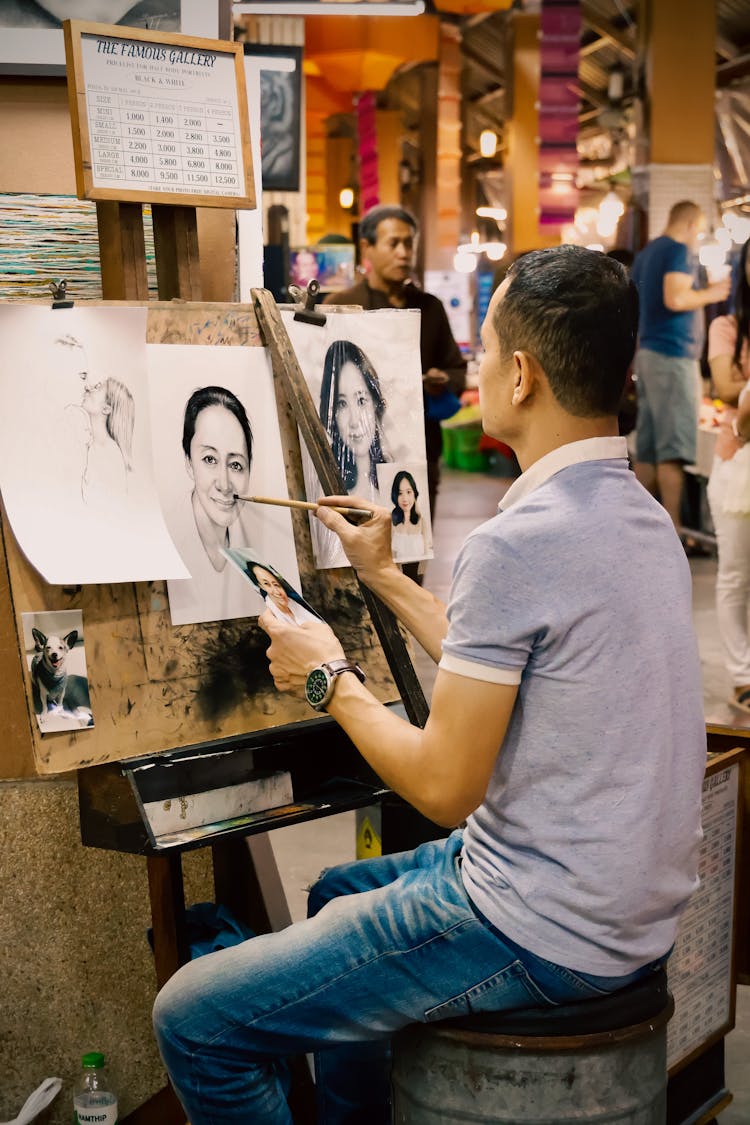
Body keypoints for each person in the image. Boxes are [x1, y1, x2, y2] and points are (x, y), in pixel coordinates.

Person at [153, 246, 706, 1125]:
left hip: (542, 922)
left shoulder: (521, 542)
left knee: (193, 1016)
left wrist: (328, 678)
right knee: (338, 890)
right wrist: (386, 578)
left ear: (521, 375)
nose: (478, 368)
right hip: (619, 901)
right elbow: (513, 668)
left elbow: (446, 788)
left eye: (486, 349)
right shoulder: (639, 514)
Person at [323, 205, 467, 519]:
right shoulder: (341, 306)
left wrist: (441, 380)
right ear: (367, 248)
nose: (404, 253)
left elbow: (458, 369)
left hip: (420, 450)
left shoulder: (430, 308)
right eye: (393, 244)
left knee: (413, 539)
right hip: (356, 450)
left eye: (409, 243)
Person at [631, 200, 731, 543]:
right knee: (671, 447)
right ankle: (671, 529)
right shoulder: (676, 250)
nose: (698, 237)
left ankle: (635, 524)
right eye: (699, 229)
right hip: (671, 356)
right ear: (690, 224)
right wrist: (712, 293)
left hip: (648, 354)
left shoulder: (646, 254)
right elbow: (675, 298)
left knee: (649, 446)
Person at [168, 386, 259, 625]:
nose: (225, 484)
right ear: (189, 462)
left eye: (236, 464)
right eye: (210, 459)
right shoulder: (168, 540)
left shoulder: (260, 549)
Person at [707, 236, 750, 714]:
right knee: (736, 573)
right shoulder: (726, 326)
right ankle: (743, 674)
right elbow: (724, 386)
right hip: (739, 461)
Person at [311, 339, 390, 568]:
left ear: (376, 404)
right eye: (342, 404)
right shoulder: (324, 488)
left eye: (361, 400)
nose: (355, 421)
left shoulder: (394, 482)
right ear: (331, 414)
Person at [80, 375, 134, 506]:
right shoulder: (88, 442)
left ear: (106, 409)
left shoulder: (110, 453)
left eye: (97, 388)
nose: (88, 387)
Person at [247, 561, 321, 626]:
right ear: (260, 586)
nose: (277, 591)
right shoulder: (271, 613)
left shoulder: (291, 602)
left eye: (275, 584)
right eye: (266, 584)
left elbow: (318, 624)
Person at [390, 468, 431, 563]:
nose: (405, 498)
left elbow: (426, 556)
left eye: (408, 492)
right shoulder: (392, 523)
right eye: (400, 493)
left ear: (414, 494)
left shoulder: (421, 522)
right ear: (395, 496)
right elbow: (392, 557)